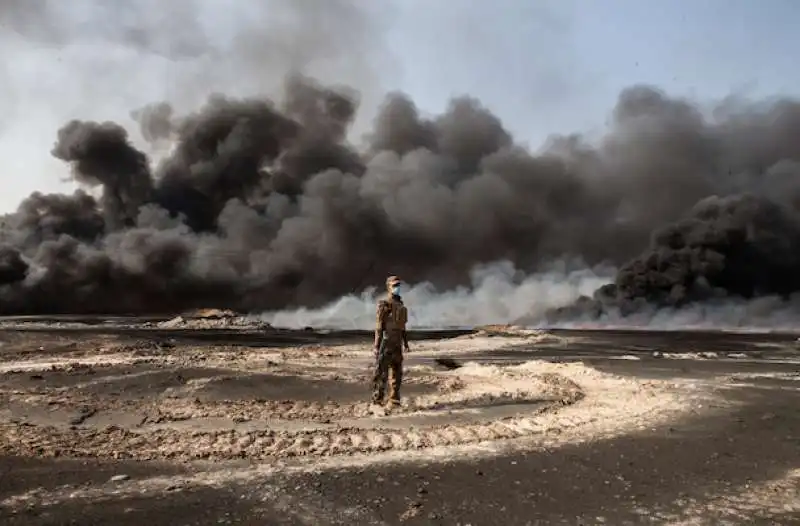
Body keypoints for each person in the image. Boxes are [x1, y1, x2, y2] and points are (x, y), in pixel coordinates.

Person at [371, 275, 410, 408]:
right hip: (386, 342)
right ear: (388, 287)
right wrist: (376, 346)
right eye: (394, 285)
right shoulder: (384, 304)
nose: (397, 288)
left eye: (398, 285)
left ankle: (394, 400)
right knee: (381, 373)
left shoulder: (400, 305)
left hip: (397, 343)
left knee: (397, 374)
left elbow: (403, 326)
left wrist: (406, 343)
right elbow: (379, 327)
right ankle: (378, 401)